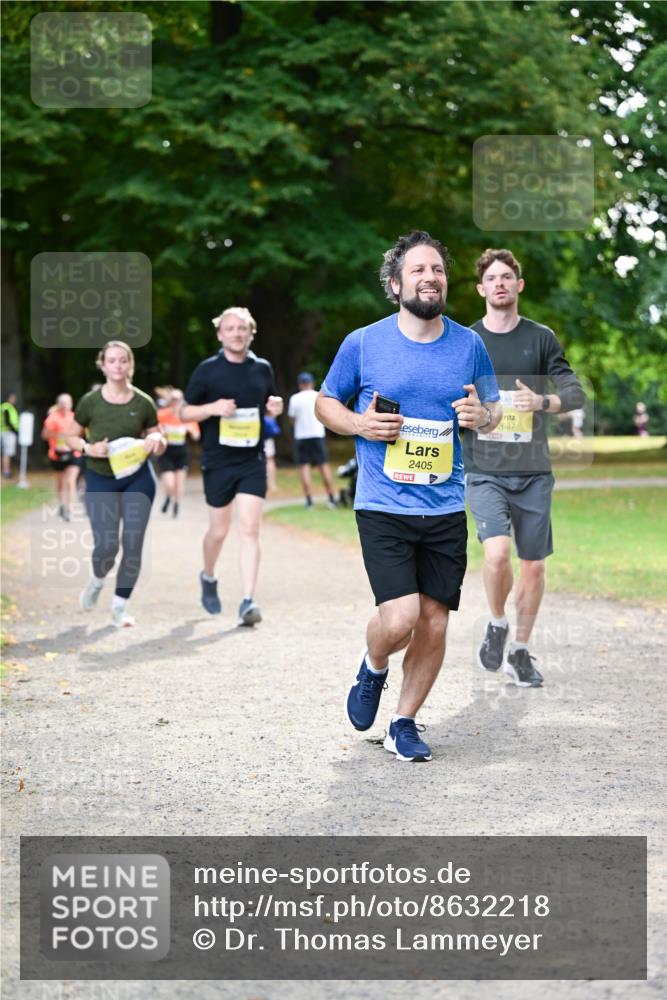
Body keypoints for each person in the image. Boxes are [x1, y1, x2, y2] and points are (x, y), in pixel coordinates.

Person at [315, 230, 501, 763]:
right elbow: (326, 403)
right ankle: (374, 664)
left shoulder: (468, 345)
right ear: (396, 284)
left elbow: (493, 410)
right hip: (383, 504)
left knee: (435, 621)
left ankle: (403, 722)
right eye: (418, 269)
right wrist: (359, 424)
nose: (430, 277)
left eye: (437, 269)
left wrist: (482, 416)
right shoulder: (364, 342)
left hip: (444, 506)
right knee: (400, 619)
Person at [465, 248, 585, 687]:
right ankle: (497, 621)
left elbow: (574, 392)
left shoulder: (541, 338)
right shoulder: (468, 341)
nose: (499, 283)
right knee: (497, 553)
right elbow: (446, 394)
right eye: (491, 278)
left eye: (506, 277)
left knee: (533, 566)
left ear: (519, 285)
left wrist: (542, 401)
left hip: (533, 471)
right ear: (481, 288)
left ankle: (519, 650)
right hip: (484, 468)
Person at [180, 306, 283, 627]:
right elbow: (184, 412)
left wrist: (275, 407)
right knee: (219, 531)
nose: (237, 333)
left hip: (252, 461)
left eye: (242, 328)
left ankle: (248, 600)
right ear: (220, 334)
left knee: (249, 528)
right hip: (218, 461)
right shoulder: (208, 370)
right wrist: (212, 408)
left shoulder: (262, 368)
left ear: (251, 333)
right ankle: (208, 575)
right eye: (230, 328)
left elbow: (270, 404)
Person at [66, 340, 167, 628]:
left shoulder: (143, 402)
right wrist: (88, 448)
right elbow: (70, 437)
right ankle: (97, 580)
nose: (118, 365)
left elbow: (159, 441)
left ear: (130, 364)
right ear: (103, 365)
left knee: (133, 544)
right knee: (107, 546)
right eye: (112, 360)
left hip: (138, 478)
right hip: (101, 477)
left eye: (123, 360)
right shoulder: (90, 402)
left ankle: (120, 607)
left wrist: (156, 439)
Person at [288, 373, 337, 508]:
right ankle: (331, 498)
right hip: (317, 434)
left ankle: (309, 501)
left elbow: (292, 420)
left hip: (301, 436)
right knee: (323, 465)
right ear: (312, 383)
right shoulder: (318, 396)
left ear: (300, 384)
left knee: (304, 467)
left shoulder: (294, 398)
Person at [155, 386, 200, 517]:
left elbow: (197, 436)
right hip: (167, 452)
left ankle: (177, 504)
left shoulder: (187, 416)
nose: (176, 402)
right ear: (170, 400)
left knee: (179, 481)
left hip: (182, 452)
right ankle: (168, 497)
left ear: (182, 400)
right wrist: (161, 431)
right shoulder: (162, 415)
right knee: (170, 482)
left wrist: (191, 431)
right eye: (173, 399)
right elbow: (154, 431)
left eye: (178, 399)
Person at [41, 393, 82, 520]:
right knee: (60, 481)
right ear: (58, 404)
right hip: (57, 454)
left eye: (67, 402)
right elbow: (44, 435)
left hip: (73, 453)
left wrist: (72, 440)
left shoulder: (75, 418)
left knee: (70, 481)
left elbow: (80, 433)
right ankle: (62, 505)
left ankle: (70, 509)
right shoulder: (52, 418)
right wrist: (58, 436)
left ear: (71, 404)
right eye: (62, 403)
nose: (65, 405)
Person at [1, 392, 19, 479]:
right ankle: (6, 471)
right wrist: (14, 430)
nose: (14, 400)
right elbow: (7, 420)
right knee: (7, 453)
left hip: (4, 431)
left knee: (4, 453)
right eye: (13, 398)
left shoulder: (5, 407)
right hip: (7, 432)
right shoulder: (7, 407)